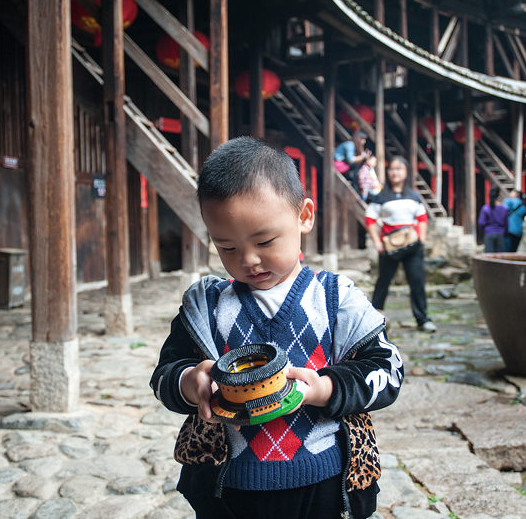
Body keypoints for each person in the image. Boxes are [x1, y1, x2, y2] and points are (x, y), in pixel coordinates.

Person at [151, 137, 403, 519]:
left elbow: (389, 370)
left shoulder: (335, 299)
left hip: (324, 484)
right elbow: (163, 375)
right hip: (230, 490)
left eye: (265, 241)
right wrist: (189, 382)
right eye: (227, 247)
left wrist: (324, 388)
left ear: (304, 216)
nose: (249, 260)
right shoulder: (206, 306)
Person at [366, 156, 436, 333]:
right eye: (392, 169)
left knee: (417, 281)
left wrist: (421, 239)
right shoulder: (381, 196)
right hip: (390, 247)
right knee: (383, 281)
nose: (395, 172)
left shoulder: (413, 195)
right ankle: (372, 320)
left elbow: (422, 218)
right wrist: (377, 243)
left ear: (406, 172)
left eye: (399, 169)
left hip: (413, 246)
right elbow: (370, 219)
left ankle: (422, 319)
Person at [478, 186, 509, 253]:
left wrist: (485, 231)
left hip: (489, 234)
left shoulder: (486, 208)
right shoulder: (504, 209)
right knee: (500, 257)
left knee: (489, 257)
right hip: (500, 234)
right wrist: (504, 232)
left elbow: (481, 223)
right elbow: (506, 224)